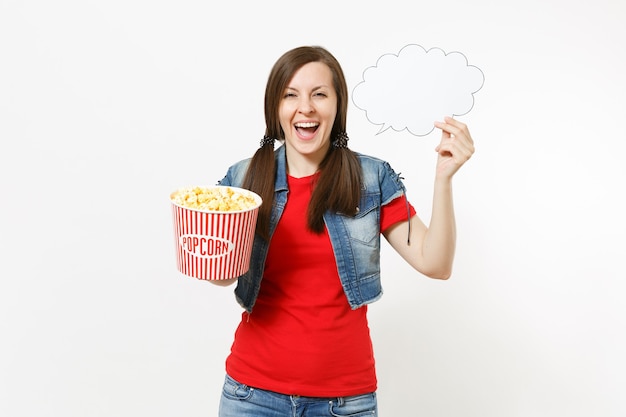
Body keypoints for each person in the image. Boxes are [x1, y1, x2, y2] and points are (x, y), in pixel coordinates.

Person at [214, 45, 474, 417]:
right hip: (250, 396)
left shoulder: (370, 178)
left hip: (344, 402)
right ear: (276, 109)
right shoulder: (242, 180)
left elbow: (436, 264)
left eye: (319, 94)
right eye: (291, 95)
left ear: (338, 106)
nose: (306, 107)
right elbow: (222, 276)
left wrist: (444, 179)